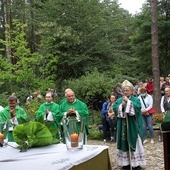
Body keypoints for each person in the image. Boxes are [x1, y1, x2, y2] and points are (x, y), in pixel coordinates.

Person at [113, 80, 146, 170]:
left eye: (128, 90)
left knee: (135, 143)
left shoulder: (136, 99)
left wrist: (128, 102)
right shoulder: (119, 100)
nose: (126, 92)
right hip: (122, 126)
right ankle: (126, 163)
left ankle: (136, 164)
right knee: (124, 143)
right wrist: (122, 106)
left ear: (132, 91)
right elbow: (115, 108)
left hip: (133, 126)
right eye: (124, 90)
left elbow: (138, 108)